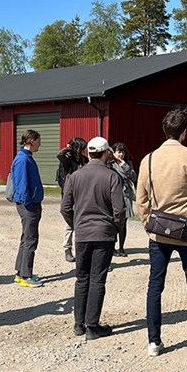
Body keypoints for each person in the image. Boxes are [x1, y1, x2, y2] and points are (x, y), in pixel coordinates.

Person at [136, 109, 187, 361]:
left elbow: (141, 200)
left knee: (155, 286)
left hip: (159, 232)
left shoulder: (148, 159)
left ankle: (154, 341)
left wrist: (148, 222)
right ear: (184, 132)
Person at [61, 136, 124, 340]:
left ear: (88, 153)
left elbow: (65, 207)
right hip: (104, 234)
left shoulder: (75, 176)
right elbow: (119, 211)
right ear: (106, 153)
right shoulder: (112, 176)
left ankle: (78, 323)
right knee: (97, 279)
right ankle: (92, 325)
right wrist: (114, 227)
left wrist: (75, 224)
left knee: (82, 278)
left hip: (82, 234)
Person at [11, 129, 45, 288]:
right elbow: (22, 186)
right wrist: (29, 204)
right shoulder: (23, 160)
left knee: (26, 239)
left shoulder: (26, 158)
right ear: (31, 141)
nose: (40, 143)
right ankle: (26, 275)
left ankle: (20, 272)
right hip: (28, 207)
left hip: (29, 205)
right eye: (38, 140)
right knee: (31, 240)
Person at [57, 137, 89, 263]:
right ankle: (67, 249)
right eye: (82, 148)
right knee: (70, 223)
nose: (84, 150)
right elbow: (59, 154)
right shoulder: (67, 160)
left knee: (83, 220)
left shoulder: (84, 159)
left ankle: (82, 249)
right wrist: (68, 147)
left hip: (82, 193)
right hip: (69, 193)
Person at [110, 142, 137, 256]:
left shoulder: (127, 163)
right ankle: (112, 247)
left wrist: (125, 166)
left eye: (122, 152)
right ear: (113, 153)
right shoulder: (110, 164)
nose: (120, 154)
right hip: (115, 194)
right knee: (114, 222)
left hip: (126, 195)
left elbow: (134, 177)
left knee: (124, 222)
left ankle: (121, 247)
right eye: (118, 152)